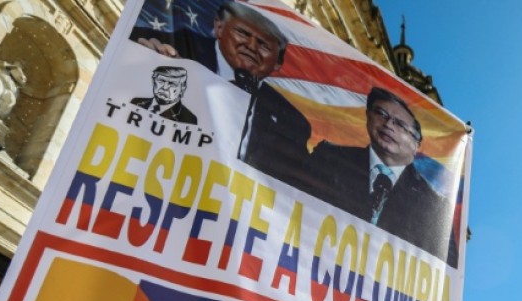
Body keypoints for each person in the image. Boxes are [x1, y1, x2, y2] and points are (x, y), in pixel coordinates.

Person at [130, 2, 311, 185]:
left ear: (278, 63)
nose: (251, 46)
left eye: (264, 45)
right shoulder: (170, 46)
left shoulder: (293, 124)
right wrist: (145, 61)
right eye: (243, 33)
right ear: (219, 28)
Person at [309, 87, 456, 264]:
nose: (388, 125)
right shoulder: (329, 157)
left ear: (416, 144)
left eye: (400, 124)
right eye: (381, 114)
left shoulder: (435, 207)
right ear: (368, 116)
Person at [131, 66, 198, 124]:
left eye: (172, 84)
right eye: (161, 81)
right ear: (153, 81)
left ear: (182, 89)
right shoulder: (135, 102)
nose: (165, 87)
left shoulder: (188, 119)